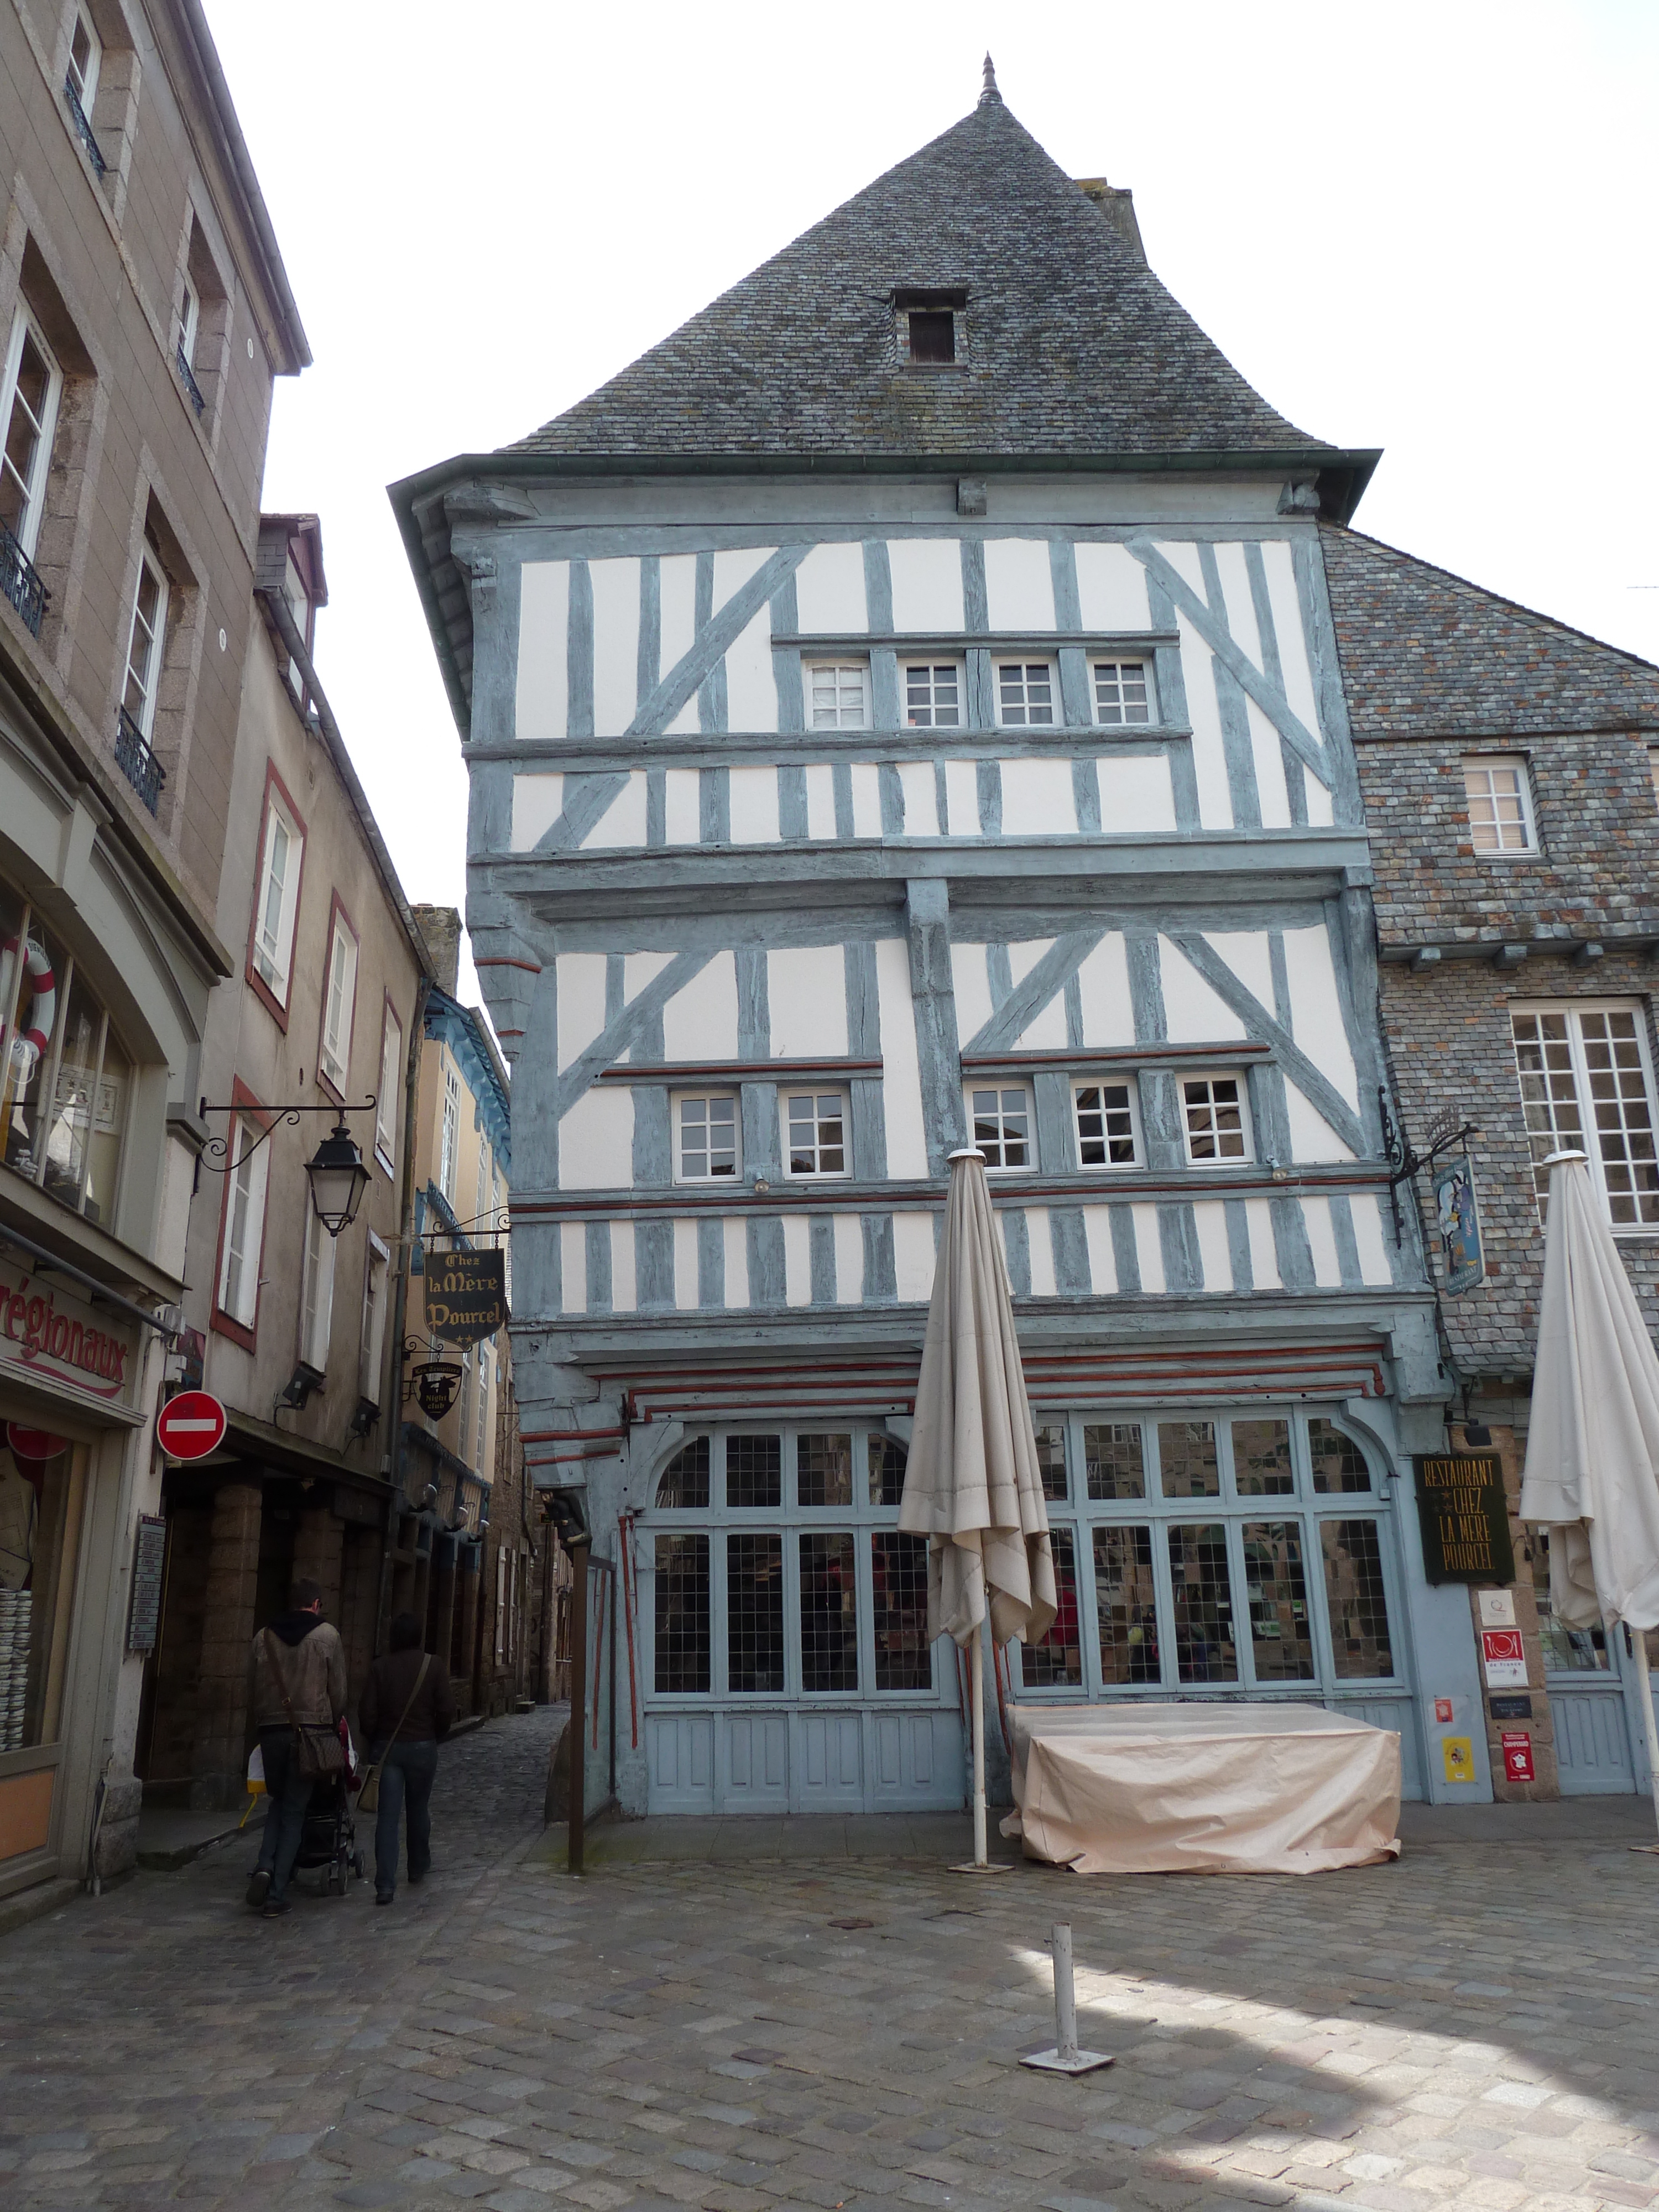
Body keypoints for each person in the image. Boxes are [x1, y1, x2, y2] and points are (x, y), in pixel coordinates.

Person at [246, 1576, 346, 1918]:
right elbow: (339, 1691)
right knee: (294, 1811)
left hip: (271, 1731)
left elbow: (252, 1686)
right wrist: (334, 1722)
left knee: (278, 1802)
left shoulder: (263, 1638)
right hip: (310, 1732)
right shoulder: (327, 1636)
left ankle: (264, 1865)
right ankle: (276, 1893)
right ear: (316, 1604)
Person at [358, 1611, 452, 1905]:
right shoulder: (433, 1665)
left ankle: (385, 1885)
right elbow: (446, 1709)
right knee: (418, 1807)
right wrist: (434, 1734)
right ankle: (417, 1866)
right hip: (423, 1746)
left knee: (388, 1817)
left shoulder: (380, 1668)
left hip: (388, 1748)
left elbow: (367, 1713)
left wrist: (376, 1739)